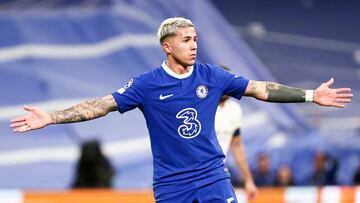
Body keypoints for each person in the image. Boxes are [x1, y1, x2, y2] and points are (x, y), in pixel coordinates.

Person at [10, 17, 352, 202]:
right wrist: (51, 117)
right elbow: (101, 105)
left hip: (213, 179)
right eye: (186, 40)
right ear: (167, 46)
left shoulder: (212, 76)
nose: (193, 45)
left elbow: (260, 89)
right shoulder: (146, 84)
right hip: (172, 186)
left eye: (195, 39)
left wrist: (310, 95)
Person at [215, 66, 257, 199]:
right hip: (196, 171)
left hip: (219, 170)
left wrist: (248, 180)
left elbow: (237, 146)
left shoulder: (235, 109)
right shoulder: (201, 106)